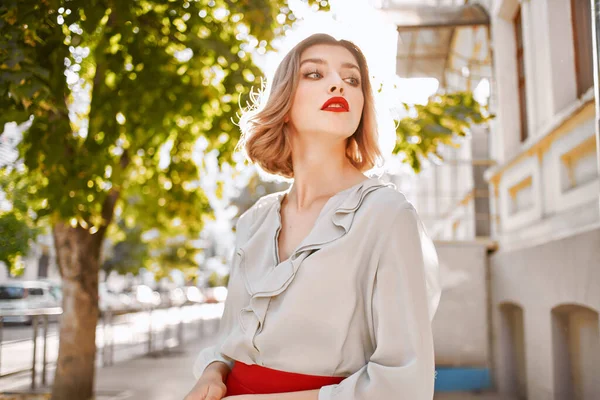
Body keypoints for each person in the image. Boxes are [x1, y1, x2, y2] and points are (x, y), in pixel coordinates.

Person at [184, 33, 442, 400]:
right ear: (284, 103)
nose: (338, 83)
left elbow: (404, 385)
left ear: (361, 106)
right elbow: (229, 342)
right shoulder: (254, 221)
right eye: (314, 74)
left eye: (352, 80)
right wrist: (211, 373)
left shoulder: (387, 216)